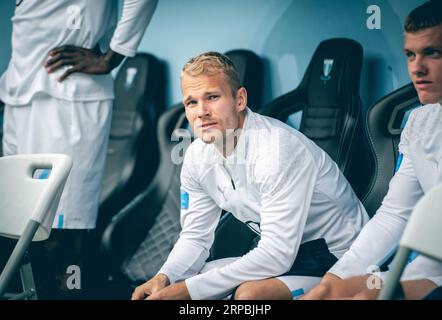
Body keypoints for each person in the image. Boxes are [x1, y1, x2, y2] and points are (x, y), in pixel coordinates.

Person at [131, 51, 369, 300]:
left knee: (249, 296)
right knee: (189, 280)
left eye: (212, 97)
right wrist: (165, 277)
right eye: (192, 102)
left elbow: (277, 254)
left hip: (340, 260)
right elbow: (195, 237)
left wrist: (189, 291)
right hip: (289, 257)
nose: (201, 112)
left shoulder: (277, 149)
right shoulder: (195, 157)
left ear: (240, 99)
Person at [0, 0, 158, 298]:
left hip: (65, 96)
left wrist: (113, 56)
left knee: (61, 228)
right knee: (21, 227)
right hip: (19, 94)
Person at [301, 0, 442, 300]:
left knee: (367, 298)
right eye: (410, 54)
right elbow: (396, 214)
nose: (417, 68)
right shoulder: (421, 123)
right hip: (433, 266)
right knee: (332, 294)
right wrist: (334, 279)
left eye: (432, 53)